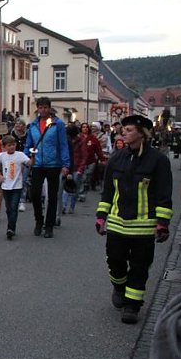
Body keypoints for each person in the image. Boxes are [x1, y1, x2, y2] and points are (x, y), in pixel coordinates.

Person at [96, 114, 172, 324]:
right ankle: (119, 287)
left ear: (142, 134)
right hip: (118, 224)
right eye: (123, 130)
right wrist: (101, 216)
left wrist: (162, 223)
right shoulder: (117, 158)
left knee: (139, 267)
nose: (124, 133)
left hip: (144, 227)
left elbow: (164, 193)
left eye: (129, 130)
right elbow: (108, 191)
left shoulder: (158, 161)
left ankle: (132, 305)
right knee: (115, 262)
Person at [24, 97, 70, 238]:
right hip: (37, 164)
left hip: (53, 164)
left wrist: (65, 164)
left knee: (52, 196)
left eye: (45, 107)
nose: (43, 110)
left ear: (49, 108)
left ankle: (49, 225)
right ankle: (39, 220)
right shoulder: (33, 125)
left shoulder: (58, 124)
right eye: (40, 107)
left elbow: (63, 145)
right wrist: (27, 158)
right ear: (37, 108)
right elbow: (28, 144)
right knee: (35, 194)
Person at [0, 135, 30, 240]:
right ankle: (11, 224)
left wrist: (33, 156)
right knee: (9, 209)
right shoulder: (2, 156)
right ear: (4, 147)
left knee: (14, 207)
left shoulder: (20, 155)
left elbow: (29, 163)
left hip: (17, 186)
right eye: (9, 145)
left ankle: (11, 228)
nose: (12, 147)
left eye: (13, 145)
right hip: (6, 186)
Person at [74, 121, 105, 202]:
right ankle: (77, 193)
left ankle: (82, 194)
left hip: (90, 162)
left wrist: (102, 159)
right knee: (79, 178)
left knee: (86, 178)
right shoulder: (78, 137)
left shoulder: (93, 138)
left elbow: (98, 150)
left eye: (86, 127)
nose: (85, 128)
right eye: (83, 127)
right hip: (80, 162)